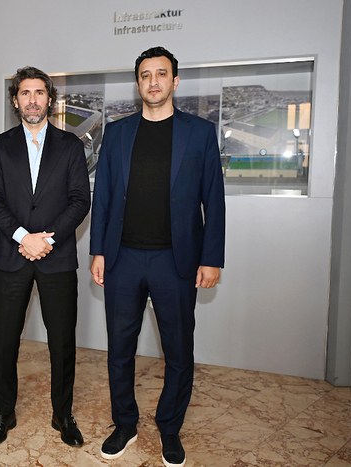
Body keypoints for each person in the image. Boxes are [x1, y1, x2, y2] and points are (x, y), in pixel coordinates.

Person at [90, 46, 225, 465]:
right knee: (120, 349)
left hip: (176, 261)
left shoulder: (199, 133)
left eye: (161, 74)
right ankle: (124, 424)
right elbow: (103, 196)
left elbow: (214, 200)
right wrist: (98, 250)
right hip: (123, 259)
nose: (153, 82)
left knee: (178, 350)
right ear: (138, 83)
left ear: (175, 81)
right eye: (145, 75)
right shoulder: (117, 133)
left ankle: (170, 427)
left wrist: (212, 257)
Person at [0, 66, 91, 447]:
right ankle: (3, 413)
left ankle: (63, 415)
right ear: (15, 101)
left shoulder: (70, 145)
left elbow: (80, 200)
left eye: (39, 93)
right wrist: (23, 237)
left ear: (50, 99)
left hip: (56, 257)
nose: (32, 100)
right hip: (12, 256)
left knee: (62, 343)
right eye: (25, 93)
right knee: (4, 342)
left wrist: (47, 240)